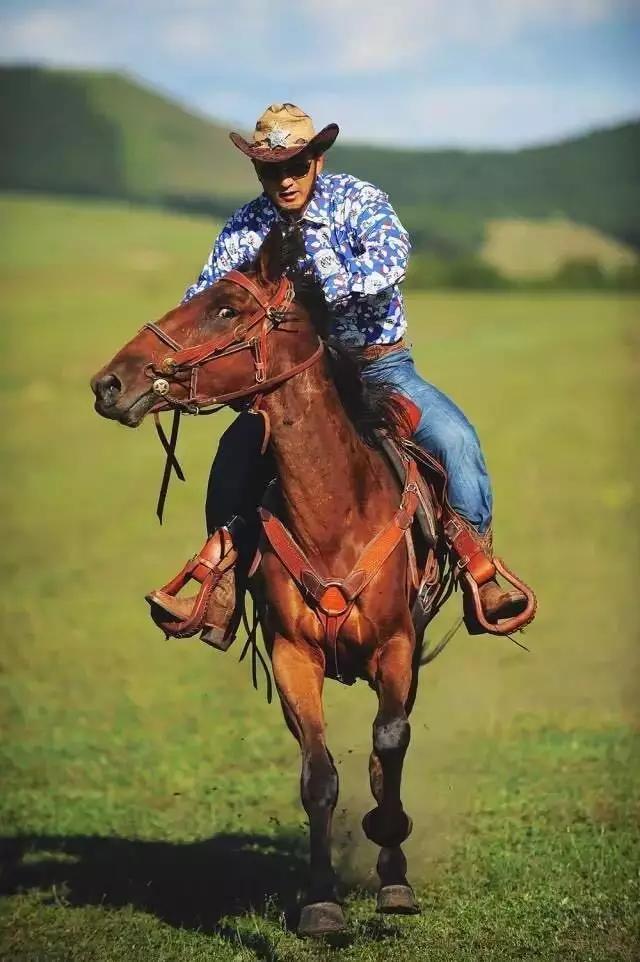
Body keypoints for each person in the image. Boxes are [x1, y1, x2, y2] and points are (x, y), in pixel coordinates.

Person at [147, 103, 529, 645]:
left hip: (379, 366)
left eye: (294, 166)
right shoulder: (245, 227)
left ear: (316, 160)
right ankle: (222, 582)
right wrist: (179, 351)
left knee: (456, 440)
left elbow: (393, 256)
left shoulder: (360, 201)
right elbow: (208, 296)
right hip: (294, 383)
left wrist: (328, 282)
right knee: (233, 458)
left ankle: (478, 566)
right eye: (269, 170)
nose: (283, 180)